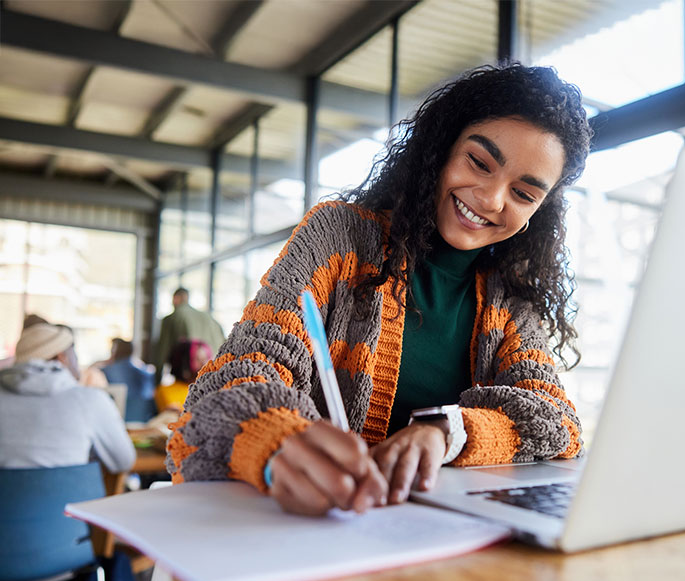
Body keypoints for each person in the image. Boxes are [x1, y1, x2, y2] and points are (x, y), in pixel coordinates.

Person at [167, 64, 591, 517]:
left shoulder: (509, 301)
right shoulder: (338, 239)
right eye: (479, 163)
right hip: (307, 531)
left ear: (539, 212)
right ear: (441, 147)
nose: (491, 199)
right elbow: (227, 385)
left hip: (436, 543)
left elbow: (556, 420)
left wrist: (447, 431)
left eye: (524, 194)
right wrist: (275, 440)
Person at [0, 323, 136, 473]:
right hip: (79, 496)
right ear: (61, 357)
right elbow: (123, 462)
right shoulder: (91, 400)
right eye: (74, 353)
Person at [155, 288, 225, 383]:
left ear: (176, 298)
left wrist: (156, 381)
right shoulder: (208, 317)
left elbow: (162, 351)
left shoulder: (172, 318)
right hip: (213, 375)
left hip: (187, 377)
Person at [101, 338, 157, 422]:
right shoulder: (146, 371)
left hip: (119, 418)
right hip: (145, 419)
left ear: (115, 350)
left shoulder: (108, 370)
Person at [154, 339, 213, 413]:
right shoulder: (165, 391)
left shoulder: (212, 389)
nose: (205, 364)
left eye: (206, 358)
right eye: (198, 359)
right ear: (183, 364)